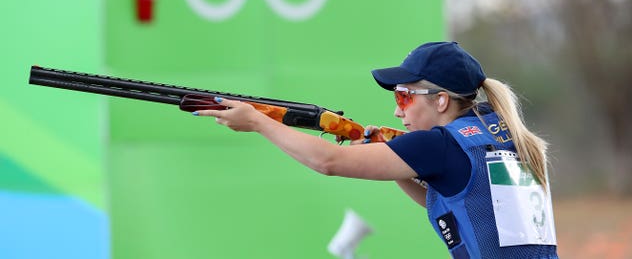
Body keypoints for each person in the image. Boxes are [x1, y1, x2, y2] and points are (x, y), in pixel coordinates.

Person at [195, 41, 559, 258]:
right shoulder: (498, 132)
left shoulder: (439, 145)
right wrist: (391, 161)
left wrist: (259, 122)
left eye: (404, 96)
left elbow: (328, 160)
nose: (397, 110)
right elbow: (458, 201)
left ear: (442, 100)